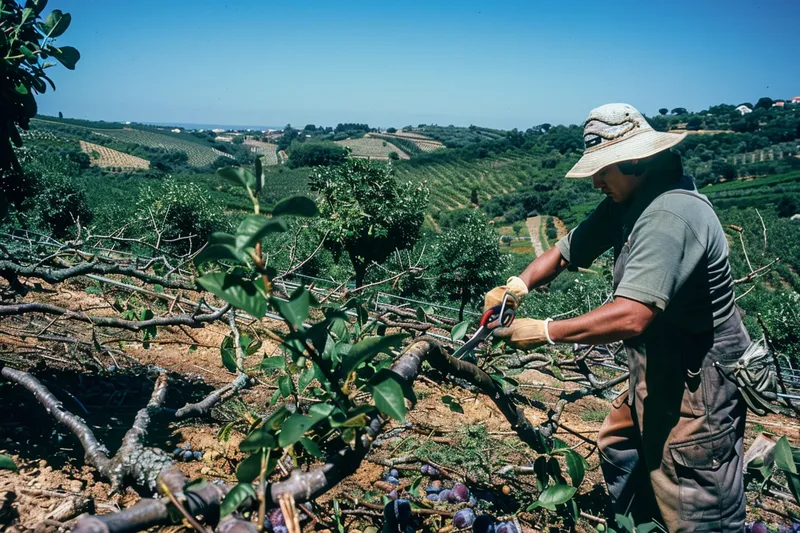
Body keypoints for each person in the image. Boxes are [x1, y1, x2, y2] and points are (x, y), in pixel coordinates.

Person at [485, 103, 749, 532]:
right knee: (621, 445)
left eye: (603, 170)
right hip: (660, 368)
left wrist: (545, 332)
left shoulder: (668, 215)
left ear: (637, 160)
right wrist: (516, 285)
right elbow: (567, 250)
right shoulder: (631, 200)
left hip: (697, 381)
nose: (595, 181)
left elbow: (631, 316)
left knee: (697, 496)